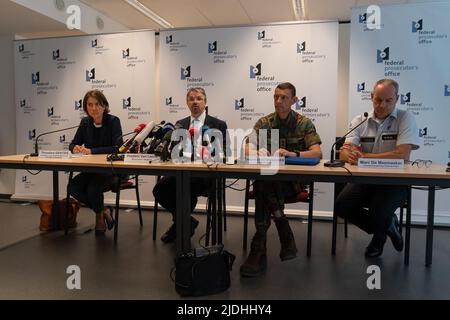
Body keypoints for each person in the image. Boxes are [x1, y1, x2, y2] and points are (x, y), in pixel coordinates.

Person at [240, 82, 322, 277]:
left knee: (263, 185)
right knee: (265, 182)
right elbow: (246, 148)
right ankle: (280, 225)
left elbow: (317, 153)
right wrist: (255, 151)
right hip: (269, 182)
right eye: (276, 97)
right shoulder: (264, 122)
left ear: (294, 100)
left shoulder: (304, 123)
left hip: (292, 184)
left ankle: (257, 250)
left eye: (284, 97)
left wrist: (292, 153)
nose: (278, 101)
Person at [335, 79, 419, 258]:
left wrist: (364, 157)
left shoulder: (406, 118)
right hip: (364, 180)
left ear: (397, 99)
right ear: (372, 97)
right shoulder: (360, 120)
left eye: (388, 100)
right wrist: (347, 154)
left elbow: (402, 154)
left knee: (378, 213)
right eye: (378, 100)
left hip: (395, 181)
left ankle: (378, 238)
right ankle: (388, 225)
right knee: (341, 206)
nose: (383, 105)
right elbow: (345, 150)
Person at [152, 87, 228, 243]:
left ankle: (180, 225)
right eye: (191, 99)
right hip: (182, 171)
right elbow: (174, 151)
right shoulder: (180, 124)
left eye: (199, 98)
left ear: (205, 102)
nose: (195, 102)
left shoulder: (218, 124)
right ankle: (186, 221)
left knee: (186, 190)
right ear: (187, 103)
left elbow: (224, 152)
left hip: (206, 174)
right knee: (160, 189)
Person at [68, 90, 123, 236]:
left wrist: (91, 151)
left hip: (110, 171)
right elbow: (72, 144)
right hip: (91, 170)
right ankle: (103, 211)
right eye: (89, 105)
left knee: (93, 189)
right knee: (73, 187)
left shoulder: (113, 121)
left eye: (97, 104)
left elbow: (118, 148)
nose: (93, 108)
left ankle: (99, 218)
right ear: (86, 108)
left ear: (104, 105)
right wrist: (76, 148)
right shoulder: (85, 122)